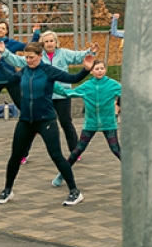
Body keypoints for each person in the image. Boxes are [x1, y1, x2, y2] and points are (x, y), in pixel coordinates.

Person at [0, 42, 94, 206]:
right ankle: (7, 190)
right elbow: (11, 79)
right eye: (26, 57)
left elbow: (73, 78)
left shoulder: (48, 71)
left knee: (57, 156)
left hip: (46, 120)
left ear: (40, 56)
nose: (28, 60)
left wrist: (86, 69)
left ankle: (75, 191)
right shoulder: (25, 71)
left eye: (31, 57)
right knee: (15, 157)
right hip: (26, 121)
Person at [52, 59, 122, 187]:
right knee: (78, 150)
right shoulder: (86, 86)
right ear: (91, 71)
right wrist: (54, 85)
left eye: (102, 68)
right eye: (97, 69)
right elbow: (67, 93)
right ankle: (62, 174)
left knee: (116, 149)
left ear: (105, 70)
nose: (99, 71)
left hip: (108, 123)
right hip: (90, 124)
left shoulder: (113, 84)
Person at [35, 31, 96, 156]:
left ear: (56, 42)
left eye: (51, 41)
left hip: (62, 95)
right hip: (44, 96)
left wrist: (90, 51)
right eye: (46, 41)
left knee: (65, 122)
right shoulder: (39, 56)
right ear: (42, 44)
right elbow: (21, 60)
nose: (49, 43)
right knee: (35, 124)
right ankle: (23, 154)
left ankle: (75, 150)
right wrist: (5, 54)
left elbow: (78, 56)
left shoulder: (63, 53)